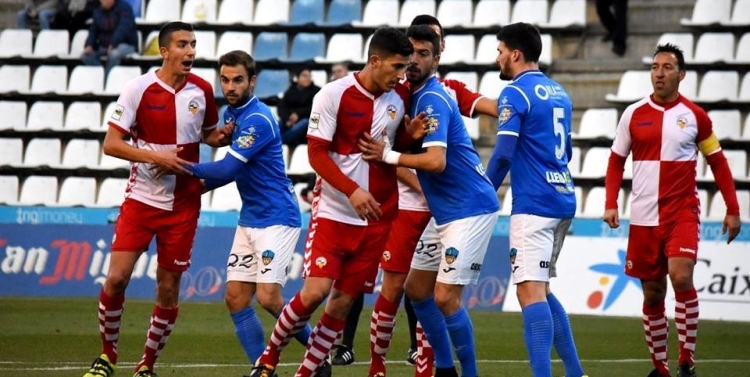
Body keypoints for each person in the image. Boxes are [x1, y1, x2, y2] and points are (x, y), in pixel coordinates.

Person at [248, 27, 422, 377]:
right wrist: (352, 191)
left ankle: (306, 371)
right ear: (375, 61)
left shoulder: (400, 94)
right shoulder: (333, 94)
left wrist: (407, 136)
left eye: (405, 67)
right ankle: (268, 359)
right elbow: (316, 153)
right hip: (334, 212)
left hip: (377, 219)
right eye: (396, 66)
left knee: (341, 303)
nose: (402, 75)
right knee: (314, 292)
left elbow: (391, 143)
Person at [82, 21, 231, 377]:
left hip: (184, 205)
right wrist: (156, 158)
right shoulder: (138, 89)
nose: (191, 51)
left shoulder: (202, 89)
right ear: (164, 51)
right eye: (182, 44)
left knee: (168, 287)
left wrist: (225, 136)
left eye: (193, 44)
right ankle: (107, 356)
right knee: (117, 278)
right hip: (142, 201)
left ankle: (147, 364)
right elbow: (112, 144)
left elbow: (208, 135)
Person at [361, 14, 500, 377]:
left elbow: (436, 162)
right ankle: (444, 368)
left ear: (436, 59)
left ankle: (466, 373)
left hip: (470, 208)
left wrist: (388, 155)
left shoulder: (435, 97)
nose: (417, 60)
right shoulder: (411, 95)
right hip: (446, 211)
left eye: (425, 53)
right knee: (416, 289)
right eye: (413, 53)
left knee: (444, 296)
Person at [603, 43, 742, 377]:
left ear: (681, 74)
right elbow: (615, 160)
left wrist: (732, 208)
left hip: (681, 213)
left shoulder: (695, 116)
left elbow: (718, 161)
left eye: (667, 67)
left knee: (681, 277)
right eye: (654, 67)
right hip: (644, 217)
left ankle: (686, 361)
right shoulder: (633, 114)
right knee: (653, 292)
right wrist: (610, 202)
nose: (659, 73)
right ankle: (660, 368)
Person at [182, 50, 321, 376]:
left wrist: (180, 168)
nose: (230, 86)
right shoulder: (235, 116)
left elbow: (228, 168)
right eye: (225, 79)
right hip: (251, 218)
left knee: (269, 297)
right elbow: (232, 172)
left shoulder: (257, 119)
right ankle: (263, 368)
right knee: (235, 297)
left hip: (277, 217)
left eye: (238, 80)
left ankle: (319, 352)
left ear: (253, 81)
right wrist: (194, 190)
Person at [485, 22, 587, 377]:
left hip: (534, 202)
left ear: (515, 54)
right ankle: (575, 372)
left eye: (500, 51)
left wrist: (485, 193)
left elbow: (502, 155)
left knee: (529, 294)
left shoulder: (516, 93)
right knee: (540, 288)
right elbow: (568, 152)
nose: (497, 58)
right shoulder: (559, 92)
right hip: (562, 197)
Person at [81, 0, 138, 75]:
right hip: (105, 46)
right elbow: (93, 31)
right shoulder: (98, 11)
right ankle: (101, 73)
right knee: (86, 56)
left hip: (126, 44)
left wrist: (113, 43)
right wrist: (89, 44)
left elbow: (123, 28)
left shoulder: (125, 8)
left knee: (114, 54)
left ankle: (107, 79)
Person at [278, 67, 321, 149]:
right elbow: (282, 106)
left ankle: (280, 141)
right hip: (289, 120)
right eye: (304, 76)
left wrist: (298, 114)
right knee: (279, 123)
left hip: (308, 120)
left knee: (305, 122)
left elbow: (316, 108)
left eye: (309, 76)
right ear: (297, 78)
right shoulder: (291, 91)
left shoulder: (317, 91)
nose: (307, 78)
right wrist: (287, 118)